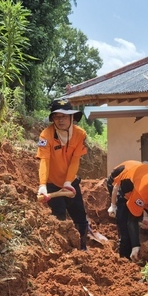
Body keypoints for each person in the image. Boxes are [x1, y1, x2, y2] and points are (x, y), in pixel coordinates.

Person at [36, 98, 89, 250]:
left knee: (80, 215)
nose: (60, 120)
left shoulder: (80, 135)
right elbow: (44, 160)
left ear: (72, 117)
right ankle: (62, 251)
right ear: (52, 118)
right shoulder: (45, 136)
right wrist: (42, 185)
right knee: (58, 217)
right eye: (57, 116)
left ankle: (82, 248)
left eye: (64, 116)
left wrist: (67, 183)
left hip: (70, 183)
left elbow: (75, 160)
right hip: (52, 184)